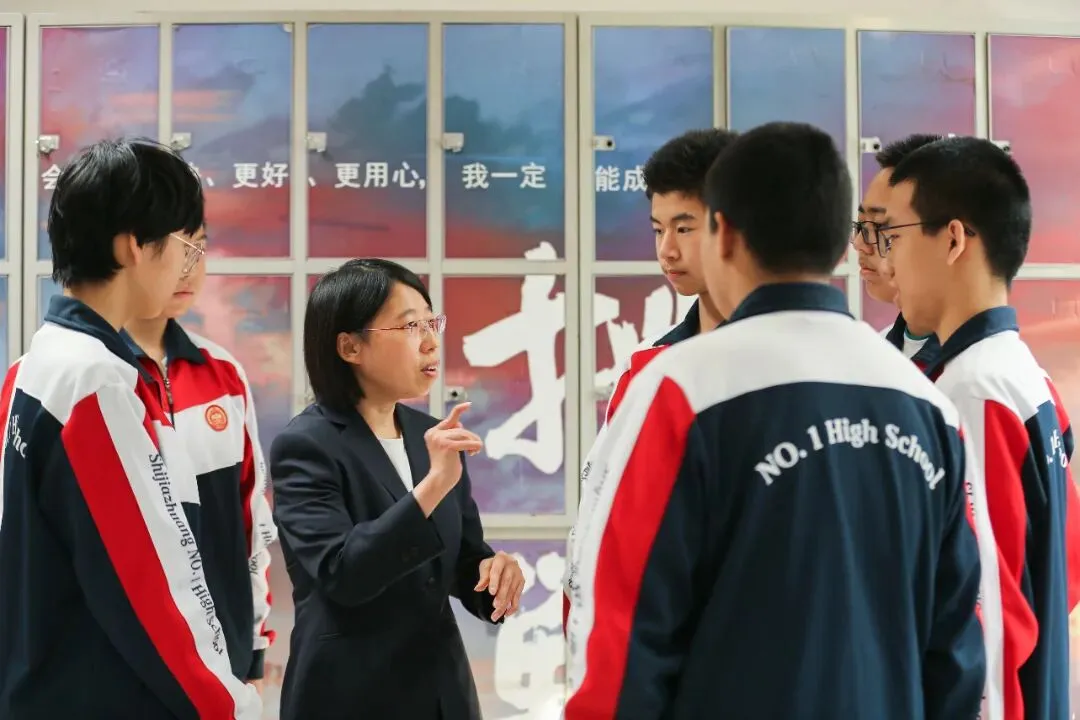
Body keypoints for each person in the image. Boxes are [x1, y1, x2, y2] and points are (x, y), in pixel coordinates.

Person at [565, 122, 984, 719]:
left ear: (724, 234)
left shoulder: (682, 388)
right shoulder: (925, 402)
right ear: (841, 243)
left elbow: (622, 632)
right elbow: (956, 650)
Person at [0, 139, 261, 718]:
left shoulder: (40, 364)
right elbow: (151, 587)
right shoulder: (95, 382)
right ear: (132, 247)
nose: (189, 266)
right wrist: (234, 705)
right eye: (184, 246)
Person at [269, 259, 527, 720]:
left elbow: (459, 563)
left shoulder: (432, 434)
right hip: (349, 699)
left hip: (442, 696)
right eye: (410, 326)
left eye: (431, 322)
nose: (430, 341)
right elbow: (344, 573)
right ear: (350, 346)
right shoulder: (305, 445)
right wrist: (433, 486)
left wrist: (494, 576)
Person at [882, 135, 1080, 720]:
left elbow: (984, 613)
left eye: (894, 237)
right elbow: (1066, 569)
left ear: (952, 239)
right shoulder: (1025, 375)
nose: (887, 262)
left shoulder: (972, 391)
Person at [563, 128, 737, 631]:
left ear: (734, 226)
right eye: (658, 230)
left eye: (684, 228)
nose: (667, 250)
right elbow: (602, 512)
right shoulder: (646, 366)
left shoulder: (783, 367)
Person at [122, 226, 276, 693]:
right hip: (120, 662)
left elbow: (251, 519)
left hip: (221, 657)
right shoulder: (84, 374)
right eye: (174, 248)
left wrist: (253, 648)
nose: (190, 267)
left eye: (200, 248)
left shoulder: (223, 372)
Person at [854, 133, 943, 367]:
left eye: (882, 226)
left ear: (951, 239)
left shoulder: (978, 375)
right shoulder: (877, 350)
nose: (859, 244)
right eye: (861, 225)